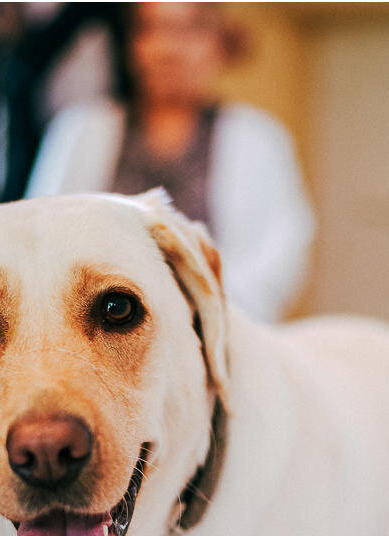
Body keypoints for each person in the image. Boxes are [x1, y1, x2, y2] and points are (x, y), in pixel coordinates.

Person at [26, 3, 315, 323]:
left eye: (188, 30)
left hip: (219, 333)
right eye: (151, 29)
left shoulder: (257, 138)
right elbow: (39, 234)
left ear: (220, 43)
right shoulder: (82, 129)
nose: (167, 48)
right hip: (92, 331)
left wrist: (199, 313)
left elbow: (281, 252)